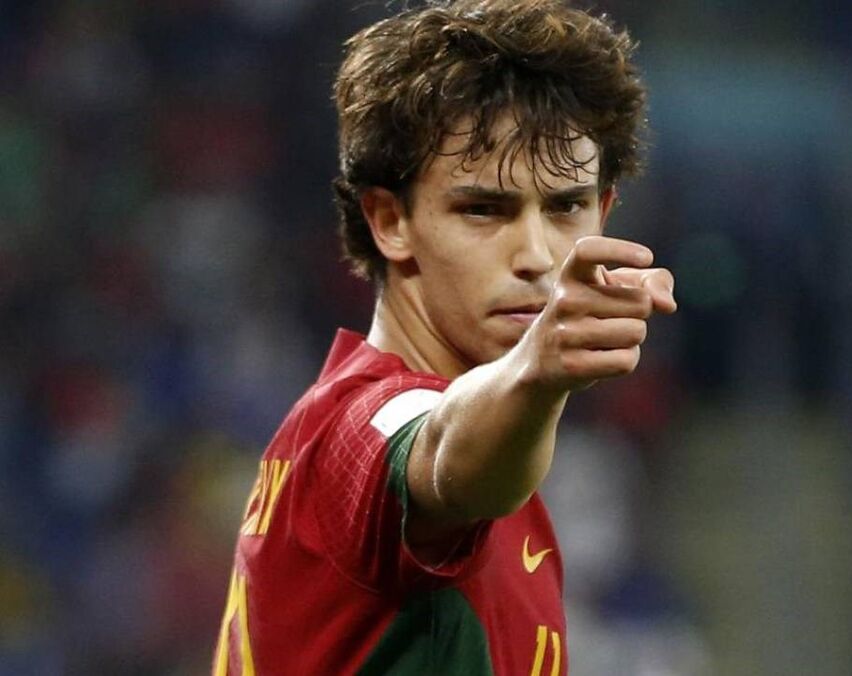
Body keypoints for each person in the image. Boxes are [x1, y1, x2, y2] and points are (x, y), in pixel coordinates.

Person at [211, 1, 675, 674]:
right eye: (483, 209)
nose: (537, 255)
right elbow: (437, 452)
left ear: (602, 211)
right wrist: (538, 374)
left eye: (565, 206)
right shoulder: (358, 425)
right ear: (389, 220)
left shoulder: (510, 483)